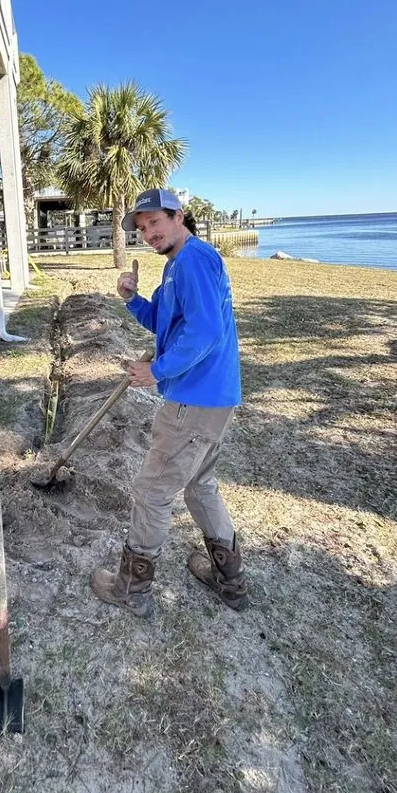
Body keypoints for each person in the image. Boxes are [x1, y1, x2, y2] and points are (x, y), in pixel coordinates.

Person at [90, 188, 248, 616]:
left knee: (152, 492)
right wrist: (131, 299)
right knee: (199, 484)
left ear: (179, 216)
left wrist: (157, 372)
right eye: (141, 228)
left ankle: (132, 589)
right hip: (215, 398)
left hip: (194, 401)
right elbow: (163, 323)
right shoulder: (178, 265)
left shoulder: (193, 259)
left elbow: (204, 332)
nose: (148, 233)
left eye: (154, 222)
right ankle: (229, 579)